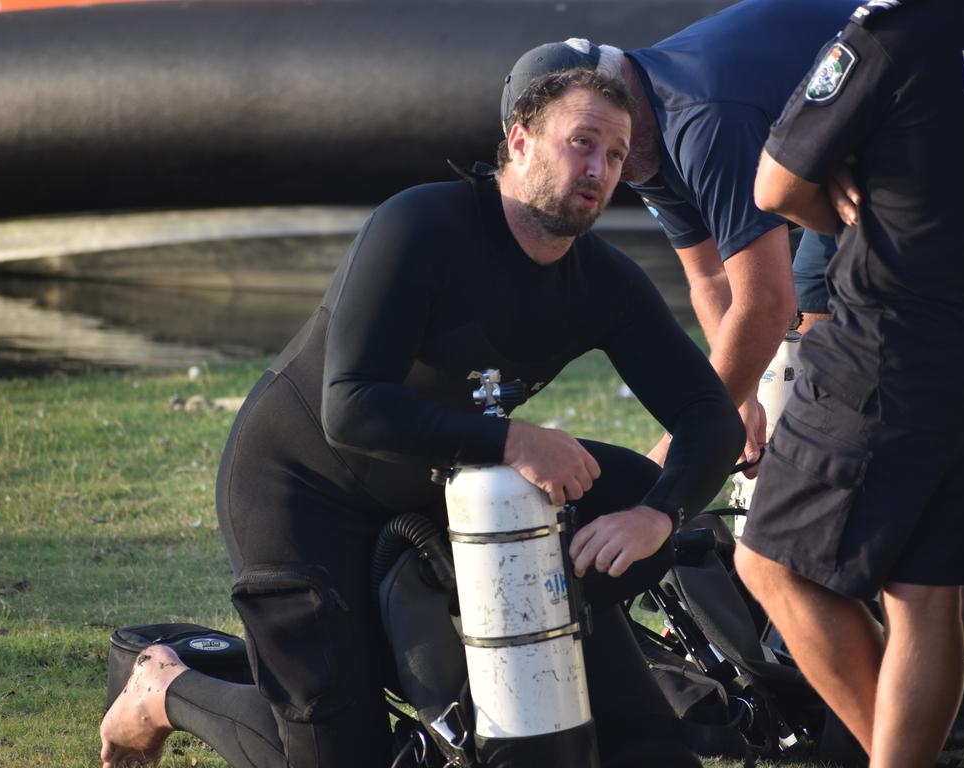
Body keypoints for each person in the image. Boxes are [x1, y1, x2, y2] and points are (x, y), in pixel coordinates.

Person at [99, 68, 744, 768]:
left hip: (426, 488)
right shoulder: (422, 225)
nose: (597, 169)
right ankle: (164, 687)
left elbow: (711, 415)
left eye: (616, 155)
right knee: (338, 754)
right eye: (581, 143)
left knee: (620, 491)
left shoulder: (604, 282)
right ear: (519, 143)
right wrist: (513, 439)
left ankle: (552, 689)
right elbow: (349, 404)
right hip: (300, 489)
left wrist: (660, 515)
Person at [732, 1, 964, 766]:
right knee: (927, 596)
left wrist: (845, 196)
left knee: (769, 563)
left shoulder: (891, 33)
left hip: (888, 345)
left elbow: (775, 188)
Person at [503, 0, 860, 480]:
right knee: (798, 356)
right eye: (581, 144)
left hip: (910, 112)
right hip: (845, 148)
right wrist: (741, 397)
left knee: (830, 352)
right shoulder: (633, 135)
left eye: (596, 142)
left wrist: (673, 451)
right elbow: (710, 274)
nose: (594, 168)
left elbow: (766, 302)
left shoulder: (699, 121)